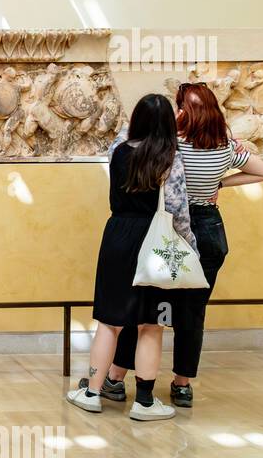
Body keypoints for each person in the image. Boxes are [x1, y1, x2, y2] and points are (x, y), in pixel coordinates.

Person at [101, 83, 263, 408]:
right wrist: (221, 182)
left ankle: (117, 378)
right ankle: (182, 385)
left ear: (184, 111)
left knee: (143, 310)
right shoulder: (225, 146)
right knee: (192, 313)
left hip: (167, 228)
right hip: (209, 229)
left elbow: (133, 153)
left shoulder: (172, 144)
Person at [66, 93, 196, 421]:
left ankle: (92, 392)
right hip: (153, 240)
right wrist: (190, 246)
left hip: (117, 237)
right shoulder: (171, 157)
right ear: (169, 125)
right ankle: (145, 402)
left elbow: (124, 134)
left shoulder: (118, 150)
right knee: (151, 325)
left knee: (109, 322)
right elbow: (178, 210)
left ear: (136, 120)